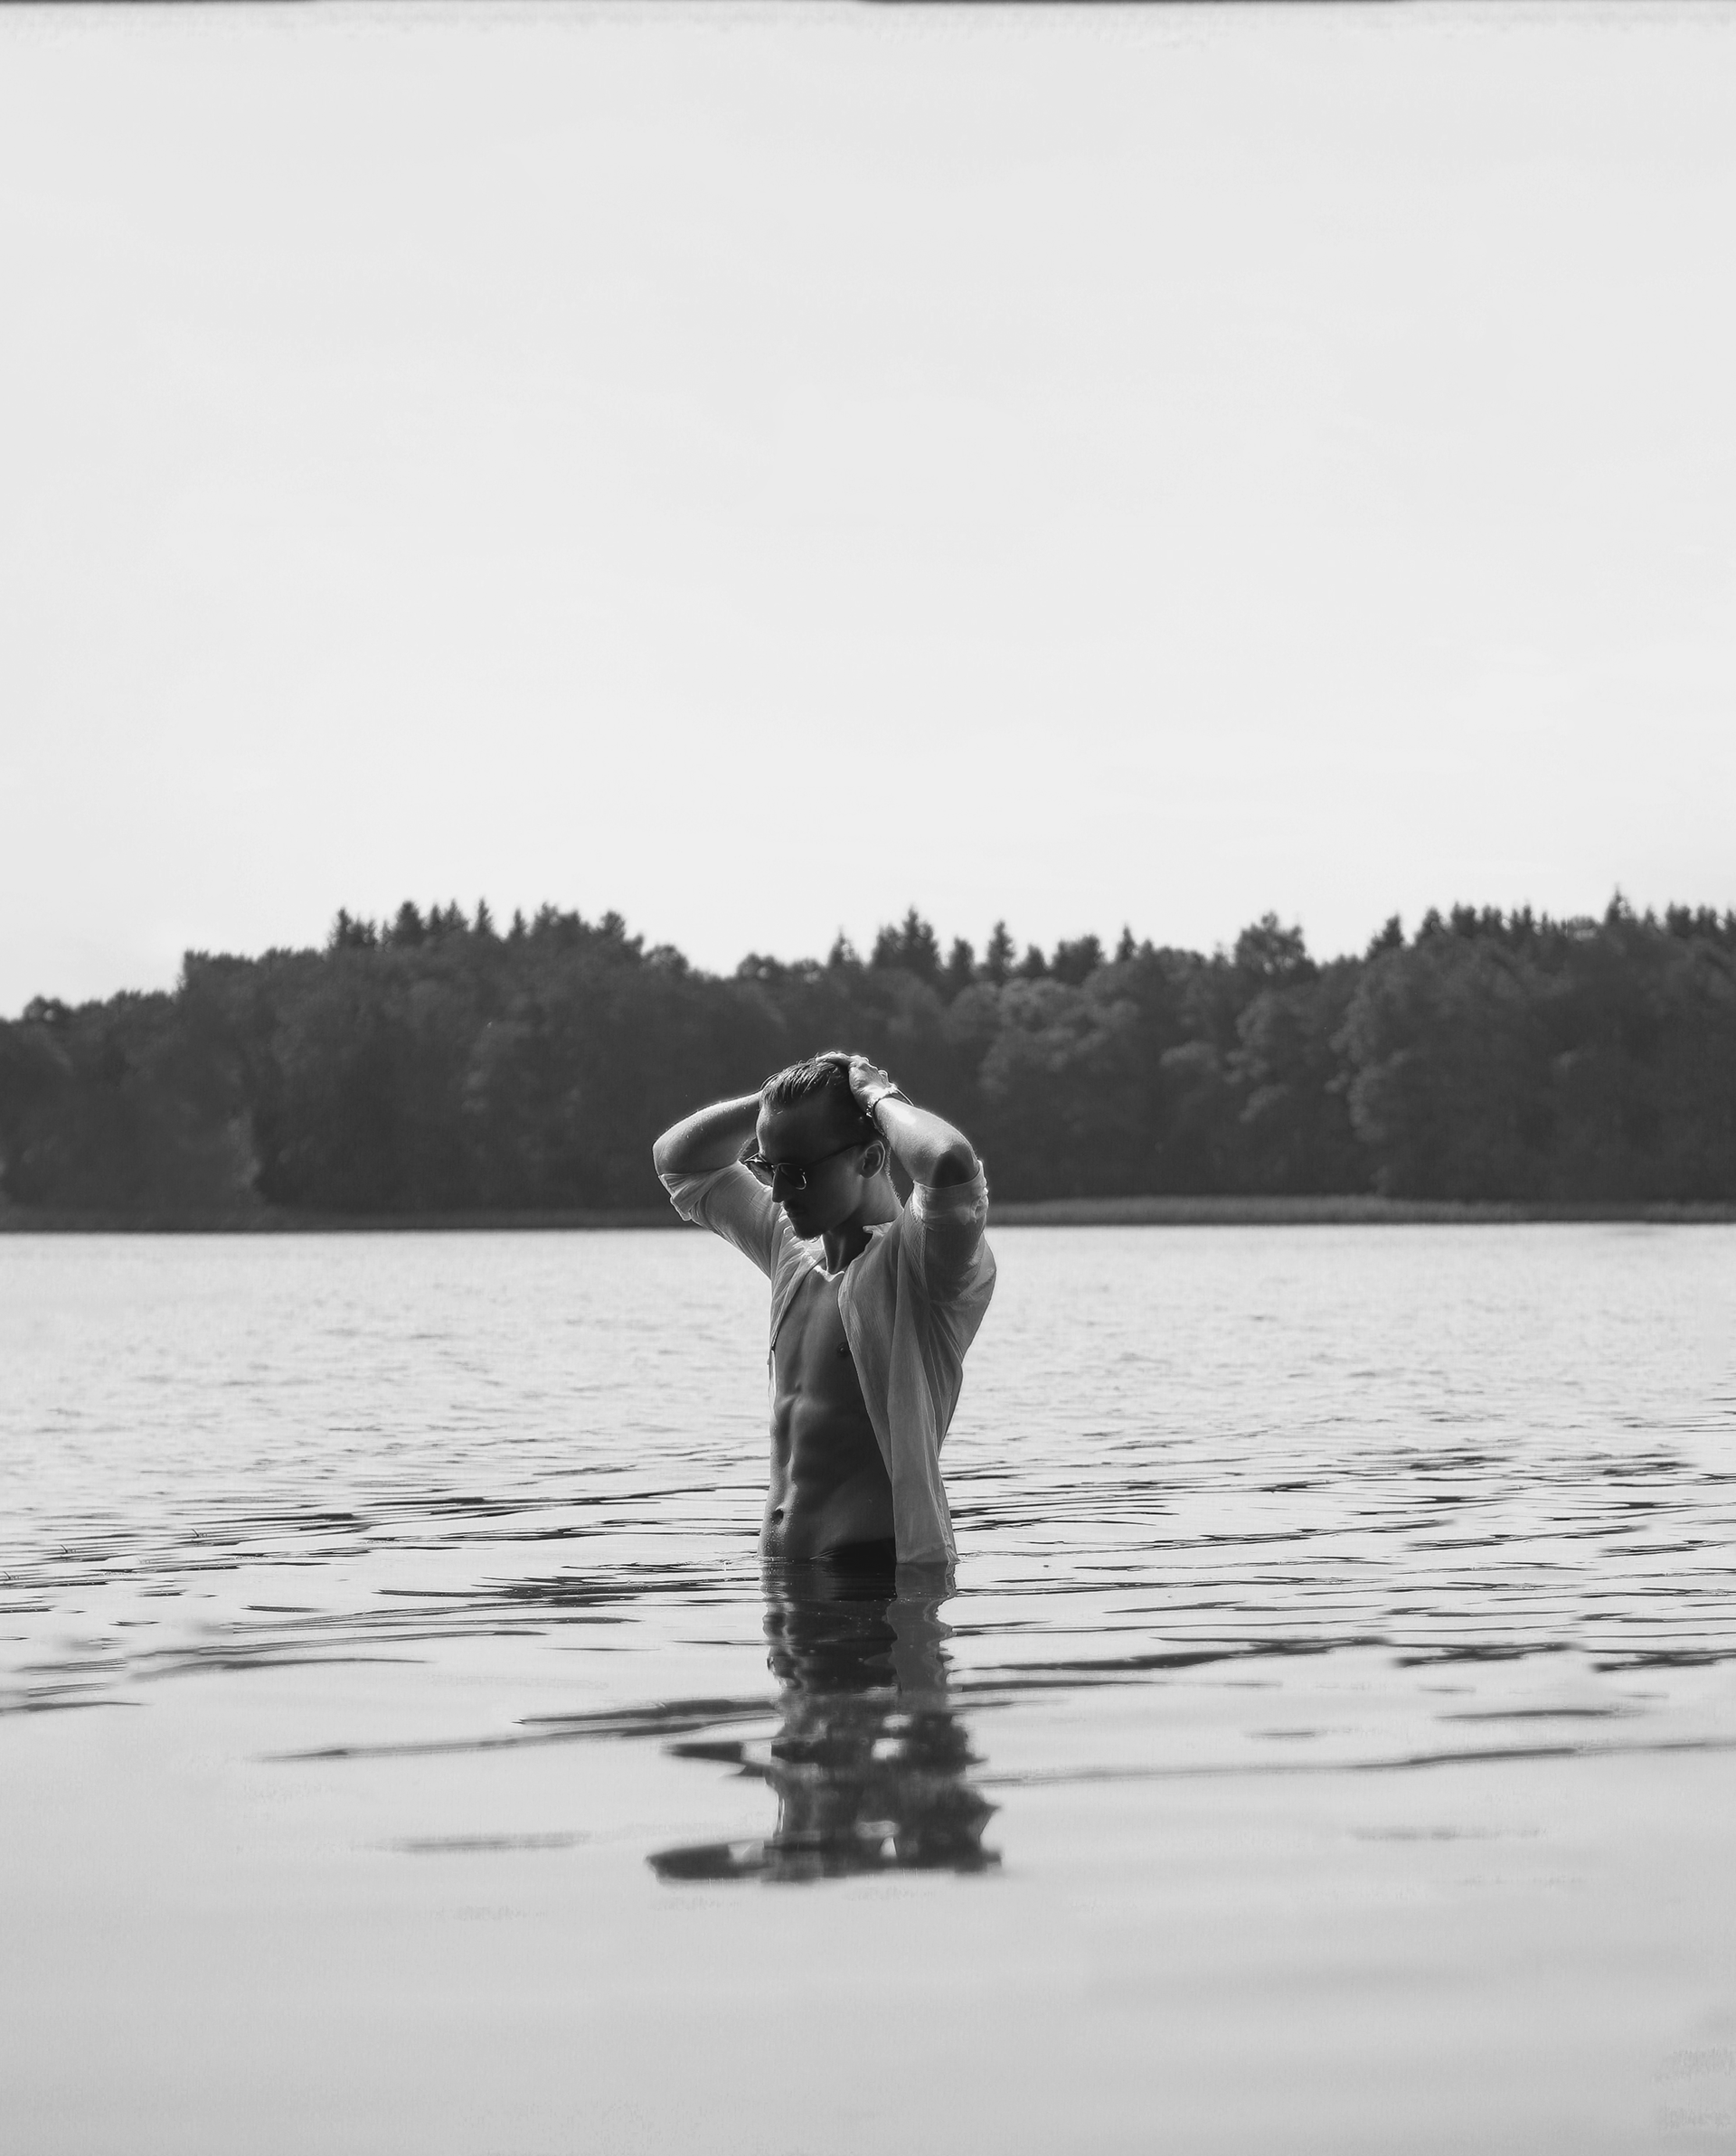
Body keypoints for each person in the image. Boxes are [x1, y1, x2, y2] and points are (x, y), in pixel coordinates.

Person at [651, 1050, 995, 1568]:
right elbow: (676, 1161)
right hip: (786, 1577)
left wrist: (873, 1095)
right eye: (768, 1168)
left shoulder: (923, 1265)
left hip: (870, 1577)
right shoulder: (787, 1245)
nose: (779, 1192)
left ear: (870, 1160)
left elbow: (950, 1164)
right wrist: (775, 1105)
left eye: (797, 1172)